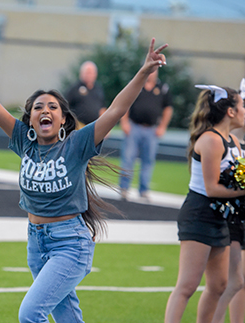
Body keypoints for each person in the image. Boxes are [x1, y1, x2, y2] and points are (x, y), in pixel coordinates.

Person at [0, 38, 168, 323]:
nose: (45, 110)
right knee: (67, 317)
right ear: (30, 119)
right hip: (36, 243)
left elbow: (115, 110)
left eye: (52, 107)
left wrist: (144, 71)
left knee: (30, 314)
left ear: (62, 119)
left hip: (70, 243)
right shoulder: (24, 141)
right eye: (38, 107)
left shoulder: (77, 144)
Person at [164, 85, 245, 323]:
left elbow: (234, 182)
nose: (244, 110)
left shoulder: (233, 141)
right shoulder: (211, 140)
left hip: (220, 217)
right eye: (241, 106)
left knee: (219, 285)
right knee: (187, 285)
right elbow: (212, 189)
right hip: (199, 215)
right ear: (230, 111)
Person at [212, 82, 245, 323]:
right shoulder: (218, 139)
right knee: (231, 282)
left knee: (236, 282)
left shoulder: (233, 138)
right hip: (229, 218)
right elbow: (213, 185)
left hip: (236, 215)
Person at [119, 67, 173, 201]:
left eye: (154, 71)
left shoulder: (162, 88)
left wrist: (162, 126)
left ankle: (143, 189)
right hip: (134, 126)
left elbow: (168, 109)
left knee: (148, 160)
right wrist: (124, 122)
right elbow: (125, 102)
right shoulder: (137, 85)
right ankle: (124, 188)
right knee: (128, 158)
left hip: (151, 129)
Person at [65, 61, 106, 128]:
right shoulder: (74, 88)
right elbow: (66, 106)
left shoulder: (98, 88)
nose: (89, 75)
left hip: (95, 126)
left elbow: (102, 108)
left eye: (91, 73)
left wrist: (105, 125)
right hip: (78, 126)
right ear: (81, 73)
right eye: (87, 72)